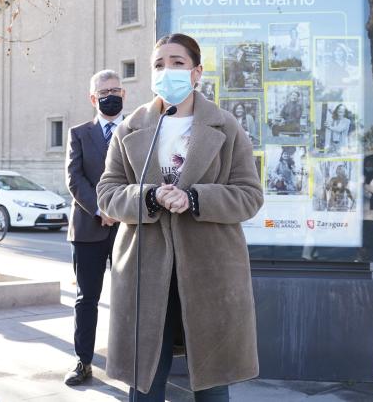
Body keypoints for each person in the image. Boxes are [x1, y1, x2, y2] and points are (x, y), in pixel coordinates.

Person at [96, 33, 263, 401]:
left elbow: (249, 196)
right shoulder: (130, 129)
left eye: (177, 63)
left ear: (196, 71)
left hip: (211, 269)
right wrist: (150, 197)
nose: (167, 71)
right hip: (145, 270)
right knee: (145, 382)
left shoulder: (226, 126)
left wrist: (194, 198)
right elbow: (107, 195)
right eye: (159, 64)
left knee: (213, 382)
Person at [62, 69, 124, 386]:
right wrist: (101, 210)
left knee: (130, 298)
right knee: (87, 299)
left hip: (128, 228)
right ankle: (83, 361)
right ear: (92, 97)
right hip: (89, 227)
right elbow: (74, 179)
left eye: (116, 89)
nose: (111, 95)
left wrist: (120, 210)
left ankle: (129, 362)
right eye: (104, 91)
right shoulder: (78, 133)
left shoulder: (135, 131)